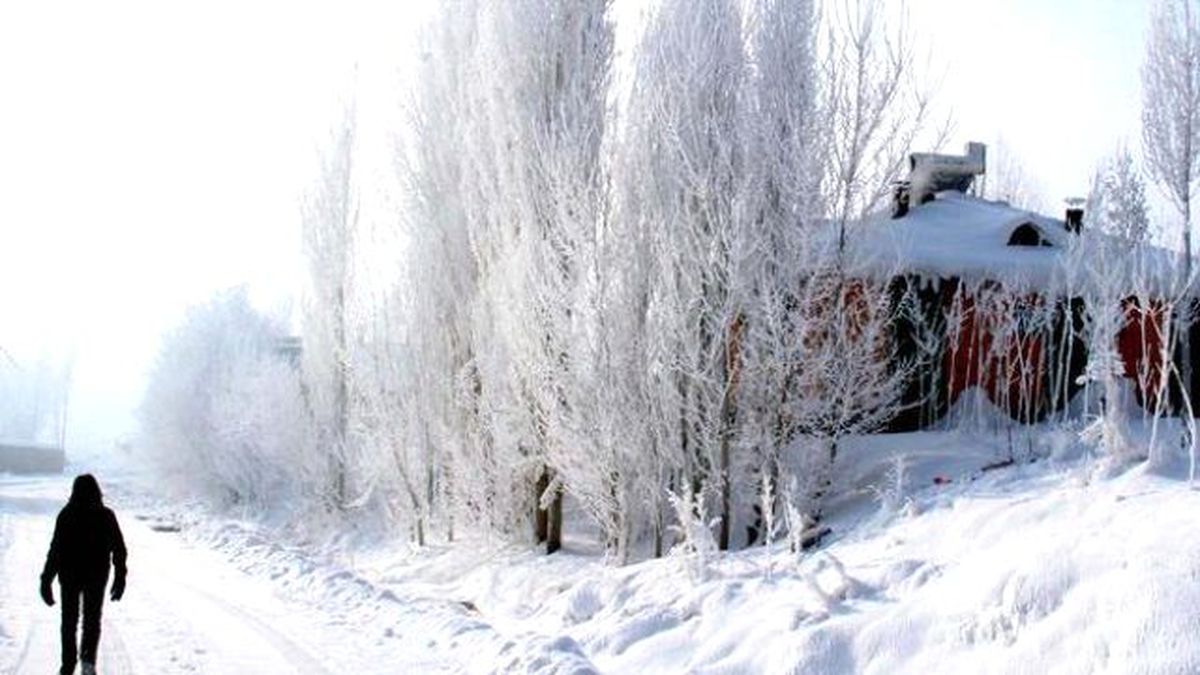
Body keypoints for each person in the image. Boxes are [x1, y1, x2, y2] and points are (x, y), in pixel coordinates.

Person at [40, 474, 128, 675]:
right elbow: (119, 549)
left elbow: (55, 550)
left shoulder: (67, 515)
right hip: (96, 576)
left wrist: (46, 579)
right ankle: (88, 662)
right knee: (92, 619)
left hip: (69, 575)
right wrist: (120, 576)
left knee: (68, 620)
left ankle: (68, 664)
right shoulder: (106, 516)